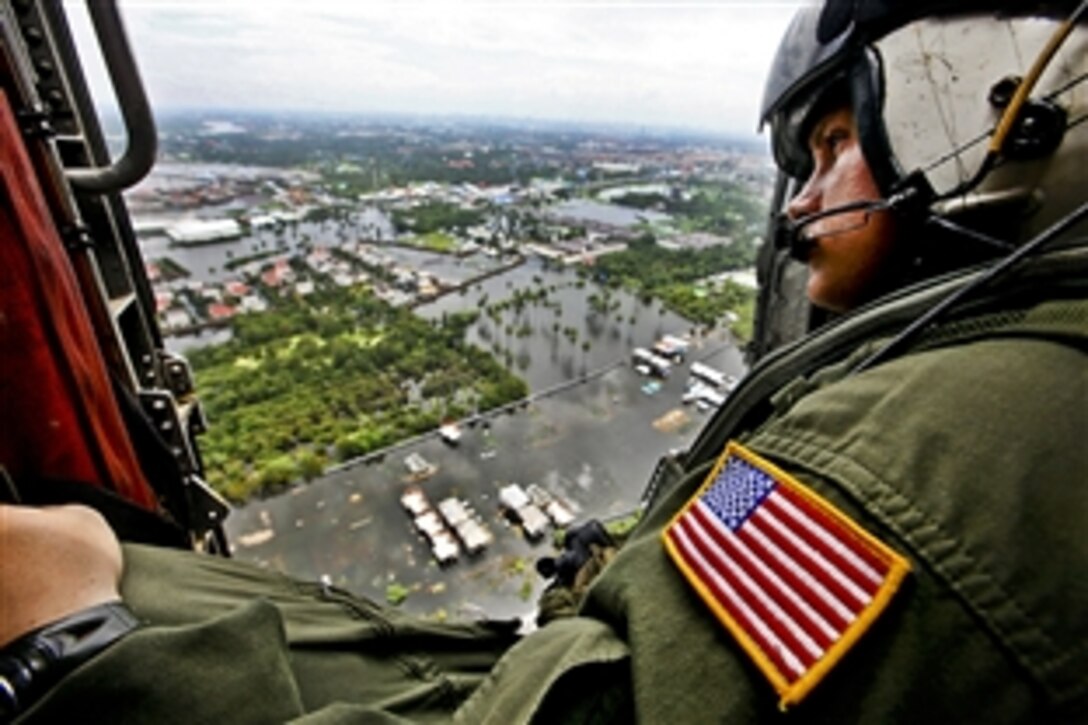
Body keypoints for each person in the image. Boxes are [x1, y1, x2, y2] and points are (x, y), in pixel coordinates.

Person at [3, 1, 1086, 722]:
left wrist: (80, 646)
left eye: (832, 146)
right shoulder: (991, 377)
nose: (801, 200)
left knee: (130, 585)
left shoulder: (906, 462)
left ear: (996, 115)